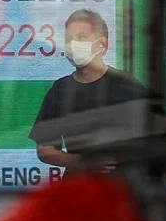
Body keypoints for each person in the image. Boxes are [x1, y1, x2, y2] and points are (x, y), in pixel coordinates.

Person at [30, 9, 152, 172]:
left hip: (121, 189)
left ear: (102, 44)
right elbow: (45, 150)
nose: (73, 45)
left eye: (81, 38)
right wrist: (82, 162)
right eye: (68, 39)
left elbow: (151, 142)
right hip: (78, 189)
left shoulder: (127, 86)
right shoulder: (60, 90)